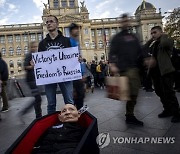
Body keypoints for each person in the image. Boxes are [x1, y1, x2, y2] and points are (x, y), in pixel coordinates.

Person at [109, 13, 143, 126]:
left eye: (127, 21)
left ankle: (129, 114)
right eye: (123, 21)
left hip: (134, 67)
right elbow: (112, 52)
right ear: (120, 23)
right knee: (131, 92)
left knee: (133, 93)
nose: (126, 23)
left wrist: (146, 59)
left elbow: (140, 50)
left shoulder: (134, 36)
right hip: (124, 68)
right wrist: (112, 63)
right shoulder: (117, 38)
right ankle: (130, 115)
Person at [38, 15, 74, 114]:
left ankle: (71, 123)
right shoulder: (42, 44)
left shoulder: (66, 41)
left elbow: (71, 58)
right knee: (51, 104)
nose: (48, 23)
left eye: (51, 21)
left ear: (57, 24)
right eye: (47, 22)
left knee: (69, 102)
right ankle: (51, 126)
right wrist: (35, 63)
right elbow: (40, 62)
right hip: (49, 77)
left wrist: (76, 59)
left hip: (65, 76)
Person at [144, 26, 180, 123]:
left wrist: (164, 35)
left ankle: (177, 113)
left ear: (161, 32)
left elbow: (164, 43)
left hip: (166, 71)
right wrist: (151, 39)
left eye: (155, 32)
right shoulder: (154, 44)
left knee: (169, 92)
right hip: (155, 73)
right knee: (159, 92)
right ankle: (167, 109)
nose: (153, 34)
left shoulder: (167, 40)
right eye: (151, 33)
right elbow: (144, 48)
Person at [20, 41, 42, 119]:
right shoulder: (29, 55)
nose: (35, 48)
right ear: (30, 48)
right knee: (37, 98)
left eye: (36, 47)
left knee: (37, 98)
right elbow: (25, 67)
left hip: (35, 79)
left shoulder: (37, 55)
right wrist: (33, 67)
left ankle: (38, 116)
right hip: (30, 80)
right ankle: (36, 115)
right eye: (33, 47)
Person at [69, 23, 85, 110]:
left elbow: (80, 59)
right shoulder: (70, 42)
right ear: (71, 31)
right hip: (74, 74)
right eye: (75, 29)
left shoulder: (76, 42)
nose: (78, 31)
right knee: (77, 97)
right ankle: (76, 117)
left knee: (80, 96)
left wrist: (83, 72)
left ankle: (78, 115)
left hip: (79, 73)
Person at [0, 52, 9, 120]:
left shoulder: (1, 62)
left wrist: (2, 80)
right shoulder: (2, 61)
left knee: (3, 93)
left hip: (1, 80)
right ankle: (5, 106)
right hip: (3, 79)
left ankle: (5, 106)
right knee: (3, 93)